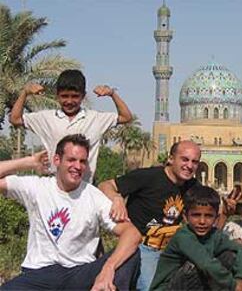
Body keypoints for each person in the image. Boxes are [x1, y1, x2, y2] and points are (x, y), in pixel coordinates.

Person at [0, 134, 141, 291]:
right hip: (40, 273)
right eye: (71, 160)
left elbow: (132, 234)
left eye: (82, 161)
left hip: (79, 273)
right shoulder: (37, 187)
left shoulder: (93, 195)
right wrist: (29, 162)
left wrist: (108, 269)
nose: (78, 166)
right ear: (57, 160)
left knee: (130, 254)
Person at [98, 140, 201, 290]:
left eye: (194, 162)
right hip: (143, 247)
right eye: (184, 159)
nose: (189, 166)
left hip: (170, 249)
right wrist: (117, 198)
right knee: (151, 287)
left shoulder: (193, 187)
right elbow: (105, 185)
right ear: (171, 158)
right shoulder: (149, 177)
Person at [10, 69, 132, 182]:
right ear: (57, 96)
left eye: (75, 96)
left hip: (84, 187)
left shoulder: (95, 118)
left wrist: (112, 93)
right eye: (64, 96)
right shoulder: (46, 118)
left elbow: (126, 117)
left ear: (83, 96)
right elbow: (15, 119)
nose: (69, 101)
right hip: (55, 187)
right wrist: (25, 93)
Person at [150, 185, 242, 291]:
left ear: (216, 218)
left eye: (208, 216)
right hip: (169, 288)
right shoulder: (183, 236)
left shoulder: (214, 235)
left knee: (229, 254)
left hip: (195, 284)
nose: (202, 221)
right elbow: (206, 263)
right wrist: (234, 285)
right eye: (196, 215)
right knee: (195, 265)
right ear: (185, 217)